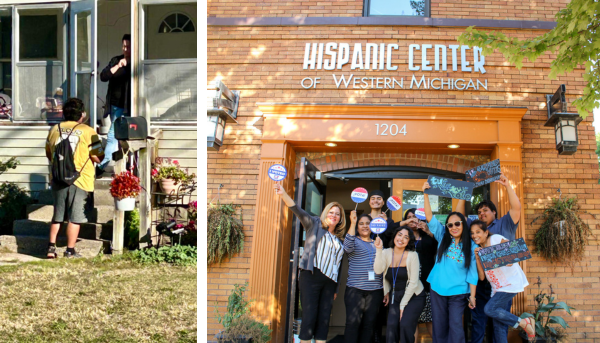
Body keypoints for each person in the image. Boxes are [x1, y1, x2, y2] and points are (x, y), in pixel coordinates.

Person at [274, 184, 346, 343]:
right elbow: (297, 210)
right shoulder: (314, 224)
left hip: (330, 282)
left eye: (337, 214)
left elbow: (339, 265)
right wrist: (283, 194)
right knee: (309, 316)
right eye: (331, 212)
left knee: (324, 318)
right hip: (311, 276)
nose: (334, 215)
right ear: (325, 213)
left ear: (341, 218)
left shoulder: (340, 239)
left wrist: (336, 287)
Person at [458, 173, 521, 343]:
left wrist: (508, 185)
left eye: (485, 210)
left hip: (503, 282)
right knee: (478, 322)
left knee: (498, 324)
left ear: (494, 212)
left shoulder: (504, 224)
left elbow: (516, 208)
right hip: (482, 281)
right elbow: (458, 217)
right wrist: (464, 191)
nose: (481, 214)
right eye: (479, 212)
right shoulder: (475, 230)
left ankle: (522, 324)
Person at [45, 98, 102, 258]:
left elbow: (50, 154)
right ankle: (70, 250)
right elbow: (98, 157)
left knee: (57, 215)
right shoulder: (89, 131)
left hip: (58, 178)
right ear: (82, 115)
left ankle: (51, 248)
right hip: (80, 179)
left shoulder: (54, 129)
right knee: (74, 217)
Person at [423, 181, 478, 343]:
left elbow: (472, 273)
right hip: (437, 288)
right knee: (439, 325)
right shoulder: (442, 237)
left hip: (459, 292)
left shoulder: (471, 245)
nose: (454, 227)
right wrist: (425, 194)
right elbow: (429, 217)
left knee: (455, 325)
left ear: (463, 225)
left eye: (457, 224)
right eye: (450, 225)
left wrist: (473, 296)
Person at [470, 220, 535, 343]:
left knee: (489, 309)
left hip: (509, 284)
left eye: (478, 232)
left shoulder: (494, 239)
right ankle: (523, 323)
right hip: (497, 288)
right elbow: (482, 277)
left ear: (486, 232)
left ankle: (523, 322)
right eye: (472, 233)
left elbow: (513, 252)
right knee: (498, 326)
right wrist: (478, 259)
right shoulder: (480, 250)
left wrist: (502, 257)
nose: (474, 235)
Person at [374, 227, 425, 343]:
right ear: (395, 236)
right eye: (400, 235)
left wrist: (402, 305)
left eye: (406, 237)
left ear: (409, 241)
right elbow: (378, 270)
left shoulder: (413, 255)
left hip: (414, 296)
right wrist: (378, 250)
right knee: (391, 326)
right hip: (395, 295)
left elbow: (413, 282)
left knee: (405, 325)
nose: (401, 239)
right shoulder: (386, 252)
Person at [343, 211, 384, 343]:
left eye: (368, 223)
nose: (365, 226)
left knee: (369, 325)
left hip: (375, 291)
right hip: (355, 289)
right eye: (361, 224)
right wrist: (353, 222)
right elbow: (347, 247)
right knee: (352, 324)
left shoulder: (378, 242)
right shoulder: (353, 240)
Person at [97, 34, 131, 177]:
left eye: (128, 46)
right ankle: (105, 166)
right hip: (115, 105)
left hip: (129, 106)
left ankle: (122, 168)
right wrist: (118, 65)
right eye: (123, 46)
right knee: (113, 136)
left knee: (121, 137)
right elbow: (103, 77)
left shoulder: (137, 62)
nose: (125, 49)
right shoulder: (116, 60)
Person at [403, 208, 437, 341]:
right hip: (409, 284)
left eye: (415, 217)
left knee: (430, 319)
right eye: (409, 217)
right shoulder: (403, 238)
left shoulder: (429, 236)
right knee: (413, 320)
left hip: (427, 283)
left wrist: (428, 230)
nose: (412, 219)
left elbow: (440, 244)